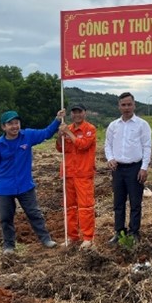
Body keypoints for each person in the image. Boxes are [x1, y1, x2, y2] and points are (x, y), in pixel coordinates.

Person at [0, 108, 66, 255]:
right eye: (10, 124)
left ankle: (45, 239)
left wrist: (57, 120)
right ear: (3, 127)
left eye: (16, 123)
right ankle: (9, 246)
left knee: (34, 213)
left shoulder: (27, 136)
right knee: (6, 218)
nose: (14, 126)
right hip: (5, 187)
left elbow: (46, 133)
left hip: (25, 185)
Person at [104, 92, 152, 244]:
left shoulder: (142, 125)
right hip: (118, 169)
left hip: (135, 168)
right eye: (123, 105)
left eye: (129, 104)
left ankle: (134, 232)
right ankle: (119, 232)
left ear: (134, 105)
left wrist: (144, 168)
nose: (126, 108)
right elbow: (108, 144)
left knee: (135, 202)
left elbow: (147, 147)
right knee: (118, 203)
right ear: (119, 106)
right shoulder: (113, 126)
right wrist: (110, 158)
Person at [56, 103, 97, 249]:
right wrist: (60, 135)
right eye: (74, 112)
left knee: (85, 207)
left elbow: (82, 145)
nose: (76, 115)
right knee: (70, 207)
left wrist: (68, 132)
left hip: (83, 174)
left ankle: (87, 237)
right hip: (69, 173)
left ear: (84, 113)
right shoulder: (68, 129)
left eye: (79, 112)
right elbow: (60, 148)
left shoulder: (89, 129)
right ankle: (72, 236)